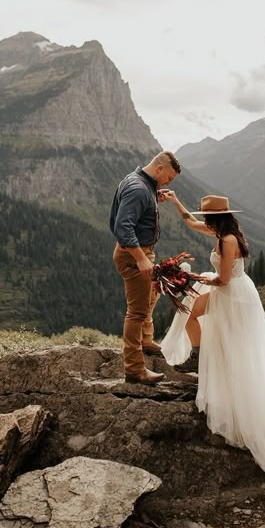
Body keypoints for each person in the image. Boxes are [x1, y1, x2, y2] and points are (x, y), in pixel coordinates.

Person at [160, 192, 265, 494]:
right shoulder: (221, 232)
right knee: (192, 314)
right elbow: (189, 222)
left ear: (215, 218)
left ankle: (199, 359)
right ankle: (199, 357)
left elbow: (224, 280)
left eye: (206, 216)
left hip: (234, 296)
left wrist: (193, 278)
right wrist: (175, 201)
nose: (203, 220)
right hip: (229, 292)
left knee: (217, 331)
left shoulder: (228, 241)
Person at [110, 151, 181, 384]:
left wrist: (154, 196)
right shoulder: (139, 189)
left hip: (141, 252)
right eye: (168, 178)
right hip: (134, 254)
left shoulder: (142, 184)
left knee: (152, 294)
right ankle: (134, 369)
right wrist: (141, 258)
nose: (168, 182)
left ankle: (147, 340)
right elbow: (123, 227)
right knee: (137, 312)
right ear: (160, 169)